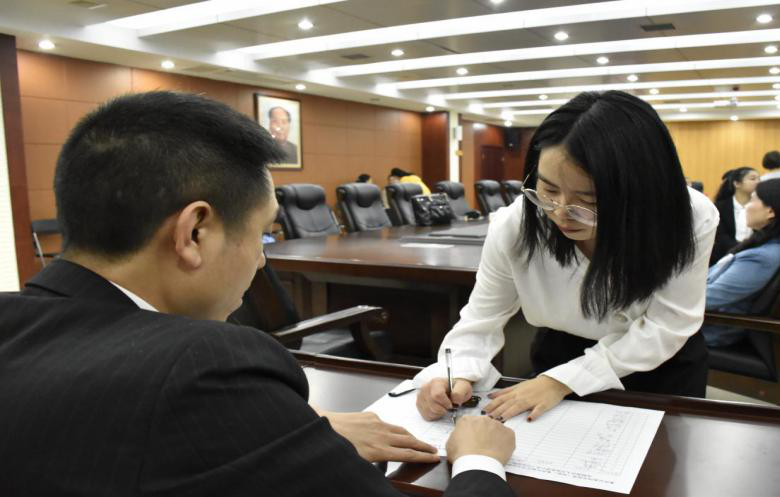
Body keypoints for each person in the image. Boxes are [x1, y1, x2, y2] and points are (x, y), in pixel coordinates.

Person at [0, 92, 516, 497]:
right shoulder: (208, 370)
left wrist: (286, 429)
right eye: (263, 234)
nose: (262, 259)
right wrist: (479, 460)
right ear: (195, 233)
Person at [414, 91, 719, 424]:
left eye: (589, 199)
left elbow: (669, 324)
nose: (560, 213)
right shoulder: (516, 223)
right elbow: (482, 316)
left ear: (641, 191)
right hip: (560, 355)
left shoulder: (687, 217)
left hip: (659, 362)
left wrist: (562, 381)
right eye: (548, 190)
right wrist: (455, 372)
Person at [702, 178, 780, 347]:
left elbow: (707, 299)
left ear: (770, 211)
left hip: (710, 329)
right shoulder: (776, 244)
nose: (747, 206)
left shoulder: (762, 258)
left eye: (752, 200)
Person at [710, 167, 759, 264]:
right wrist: (738, 248)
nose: (758, 182)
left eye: (759, 179)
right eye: (753, 179)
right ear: (737, 183)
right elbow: (719, 235)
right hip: (722, 255)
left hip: (752, 254)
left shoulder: (761, 206)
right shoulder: (720, 206)